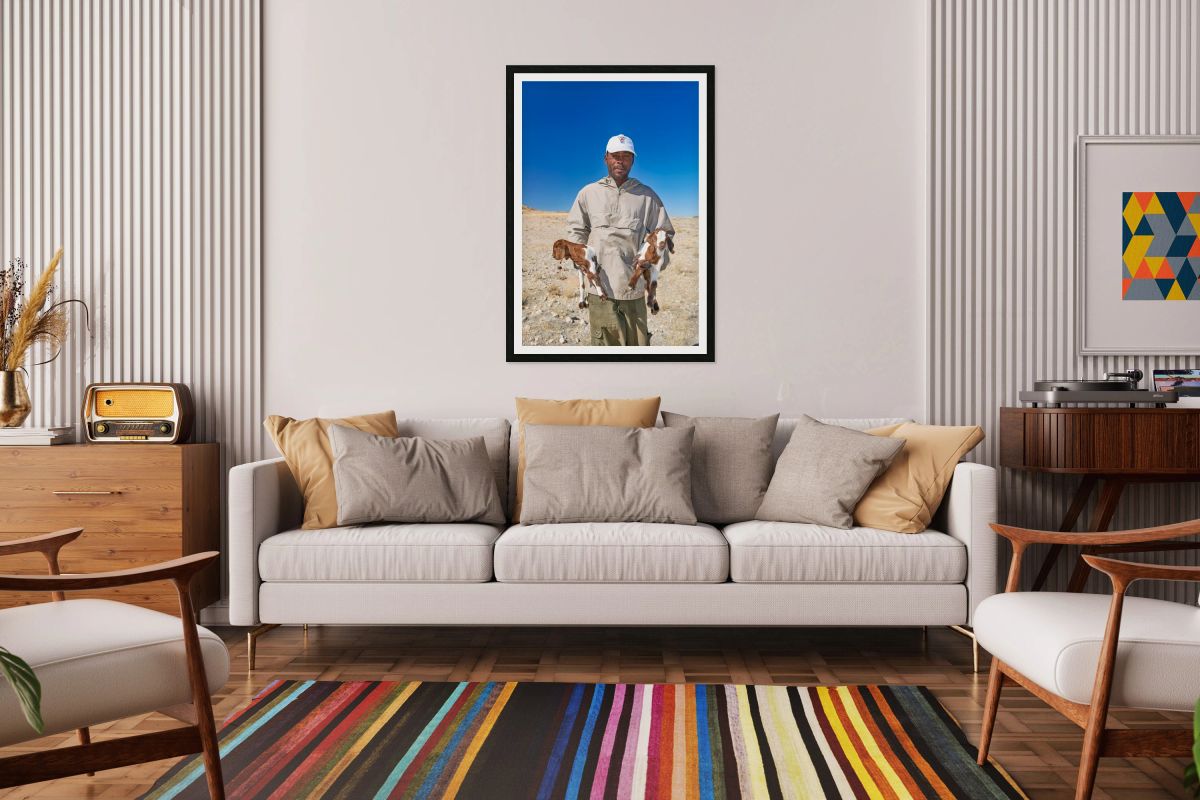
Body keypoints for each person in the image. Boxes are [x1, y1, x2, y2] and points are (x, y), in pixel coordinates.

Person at [564, 134, 674, 346]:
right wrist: (579, 257)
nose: (620, 160)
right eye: (615, 155)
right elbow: (575, 230)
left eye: (626, 156)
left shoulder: (647, 197)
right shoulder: (588, 193)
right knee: (606, 352)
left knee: (637, 348)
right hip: (599, 289)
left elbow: (664, 234)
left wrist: (652, 259)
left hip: (633, 289)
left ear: (633, 161)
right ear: (606, 158)